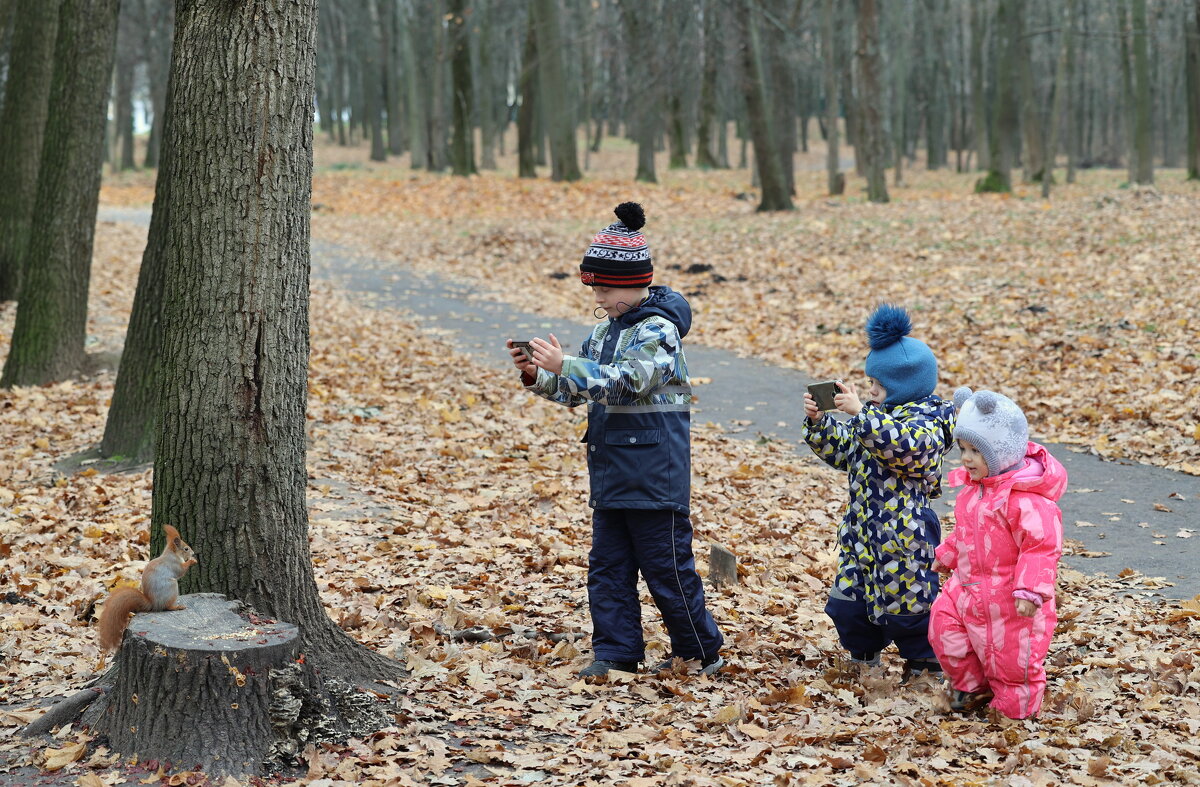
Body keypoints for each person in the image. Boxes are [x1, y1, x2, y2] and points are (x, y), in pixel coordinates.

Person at [508, 202, 724, 678]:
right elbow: (580, 390)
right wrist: (539, 376)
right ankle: (616, 652)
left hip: (655, 473)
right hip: (609, 470)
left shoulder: (659, 332)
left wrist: (565, 364)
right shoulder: (604, 329)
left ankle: (700, 649)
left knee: (667, 568)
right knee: (607, 569)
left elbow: (626, 381)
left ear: (631, 284)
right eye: (595, 291)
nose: (600, 300)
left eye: (604, 290)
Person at [802, 304, 955, 680]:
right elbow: (845, 452)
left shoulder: (927, 423)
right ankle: (863, 655)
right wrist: (820, 424)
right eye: (869, 384)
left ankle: (924, 664)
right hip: (862, 532)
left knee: (910, 607)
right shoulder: (874, 417)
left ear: (902, 387)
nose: (870, 392)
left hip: (904, 535)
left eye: (877, 386)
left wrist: (862, 415)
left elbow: (906, 450)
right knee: (849, 602)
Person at [929, 387, 1066, 719]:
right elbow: (966, 532)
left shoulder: (1026, 500)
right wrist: (948, 553)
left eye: (976, 451)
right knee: (943, 629)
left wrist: (1031, 589)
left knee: (1011, 663)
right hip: (968, 589)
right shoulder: (973, 492)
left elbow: (1041, 547)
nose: (965, 458)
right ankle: (971, 687)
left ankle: (1014, 711)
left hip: (1011, 600)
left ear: (1002, 452)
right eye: (962, 448)